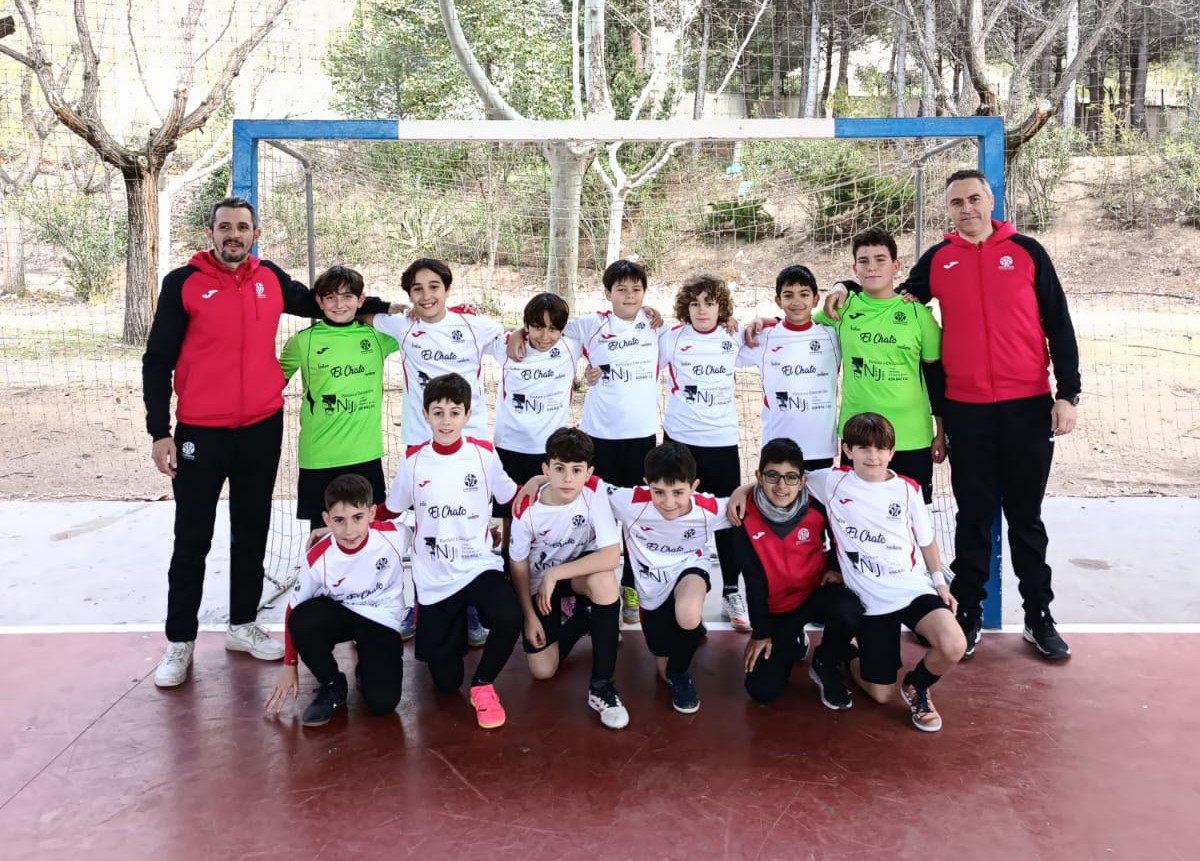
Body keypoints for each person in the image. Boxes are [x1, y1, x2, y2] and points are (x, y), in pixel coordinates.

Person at [823, 170, 1080, 660]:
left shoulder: (1027, 252)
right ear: (949, 210)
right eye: (957, 202)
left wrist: (1068, 393)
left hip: (1027, 405)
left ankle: (1039, 615)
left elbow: (1059, 321)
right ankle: (969, 612)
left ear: (991, 201)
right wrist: (841, 282)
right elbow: (885, 286)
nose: (967, 209)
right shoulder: (940, 259)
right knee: (973, 517)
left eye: (974, 199)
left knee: (1025, 517)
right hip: (967, 410)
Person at [142, 196, 393, 689]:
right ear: (211, 233)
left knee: (252, 528)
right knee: (192, 536)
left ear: (255, 234)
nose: (233, 234)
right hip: (200, 431)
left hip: (261, 426)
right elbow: (157, 358)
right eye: (225, 227)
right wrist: (159, 431)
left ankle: (242, 625)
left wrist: (387, 308)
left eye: (243, 227)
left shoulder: (270, 279)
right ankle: (180, 640)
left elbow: (325, 300)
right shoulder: (183, 283)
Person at [508, 259, 663, 627]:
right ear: (607, 293)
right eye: (621, 289)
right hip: (599, 438)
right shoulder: (590, 326)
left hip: (641, 438)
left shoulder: (656, 326)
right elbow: (549, 328)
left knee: (636, 516)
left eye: (636, 289)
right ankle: (586, 590)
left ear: (645, 293)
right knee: (594, 515)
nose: (629, 295)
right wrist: (516, 333)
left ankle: (630, 585)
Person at [368, 257, 505, 647]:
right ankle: (421, 603)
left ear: (447, 289)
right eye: (417, 289)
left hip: (471, 444)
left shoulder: (475, 325)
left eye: (434, 287)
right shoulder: (402, 325)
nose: (426, 296)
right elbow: (361, 311)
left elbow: (515, 343)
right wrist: (389, 306)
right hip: (422, 442)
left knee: (469, 524)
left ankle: (471, 607)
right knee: (428, 527)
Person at [375, 373, 523, 729]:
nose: (446, 421)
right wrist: (342, 527)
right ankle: (452, 631)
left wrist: (551, 490)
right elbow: (390, 510)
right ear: (425, 414)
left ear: (467, 415)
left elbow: (513, 496)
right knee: (445, 683)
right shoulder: (414, 461)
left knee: (509, 616)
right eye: (438, 412)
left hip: (477, 566)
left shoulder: (483, 455)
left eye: (454, 412)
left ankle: (483, 685)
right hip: (434, 578)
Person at [806, 413, 966, 732]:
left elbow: (926, 541)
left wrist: (939, 584)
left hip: (911, 588)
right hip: (870, 601)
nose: (873, 456)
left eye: (881, 449)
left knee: (953, 645)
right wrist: (744, 491)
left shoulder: (907, 489)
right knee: (880, 694)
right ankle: (846, 652)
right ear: (847, 450)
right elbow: (785, 479)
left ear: (892, 452)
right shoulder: (832, 482)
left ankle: (918, 686)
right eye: (864, 448)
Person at [264, 474, 409, 726]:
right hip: (341, 613)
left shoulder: (395, 536)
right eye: (339, 521)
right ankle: (332, 684)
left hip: (381, 619)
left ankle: (367, 667)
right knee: (302, 620)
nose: (349, 531)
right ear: (326, 519)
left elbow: (432, 530)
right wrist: (289, 664)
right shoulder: (318, 557)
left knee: (383, 704)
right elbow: (291, 610)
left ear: (372, 514)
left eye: (357, 518)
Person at [813, 228, 945, 503]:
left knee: (909, 519)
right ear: (855, 268)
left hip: (910, 438)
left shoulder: (918, 314)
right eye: (864, 261)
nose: (872, 267)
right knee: (857, 516)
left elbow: (935, 378)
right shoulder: (842, 308)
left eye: (880, 259)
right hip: (857, 438)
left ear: (896, 266)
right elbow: (799, 325)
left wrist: (941, 432)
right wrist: (765, 324)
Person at [729, 438, 863, 709]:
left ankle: (825, 661)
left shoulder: (818, 507)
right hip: (777, 609)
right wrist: (761, 632)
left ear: (802, 481)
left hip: (814, 594)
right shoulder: (743, 516)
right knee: (762, 690)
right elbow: (754, 581)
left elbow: (842, 538)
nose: (781, 486)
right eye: (772, 476)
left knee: (849, 608)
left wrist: (835, 568)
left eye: (790, 477)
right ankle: (792, 641)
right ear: (758, 477)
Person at [509, 427, 627, 729]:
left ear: (589, 473)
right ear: (546, 469)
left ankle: (601, 687)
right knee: (543, 671)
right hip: (541, 586)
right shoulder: (527, 507)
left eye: (576, 470)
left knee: (605, 583)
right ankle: (583, 620)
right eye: (559, 469)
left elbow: (611, 556)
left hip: (572, 574)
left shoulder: (594, 491)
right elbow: (518, 565)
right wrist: (528, 616)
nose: (567, 478)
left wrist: (556, 573)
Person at [606, 441, 735, 714]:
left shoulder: (708, 509)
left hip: (689, 569)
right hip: (651, 587)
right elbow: (587, 485)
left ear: (694, 486)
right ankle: (688, 635)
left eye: (678, 492)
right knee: (661, 668)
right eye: (659, 492)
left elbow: (749, 502)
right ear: (646, 484)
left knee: (687, 616)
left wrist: (744, 490)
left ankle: (681, 672)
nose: (668, 502)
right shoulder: (630, 502)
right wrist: (538, 480)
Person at [658, 274, 750, 631]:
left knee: (728, 517)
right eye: (695, 303)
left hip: (721, 441)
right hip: (680, 441)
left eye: (709, 303)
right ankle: (673, 583)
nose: (701, 310)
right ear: (686, 307)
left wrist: (755, 322)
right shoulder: (671, 338)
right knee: (677, 513)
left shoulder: (734, 337)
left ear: (721, 307)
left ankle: (731, 590)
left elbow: (769, 333)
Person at [279, 265, 398, 541]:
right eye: (330, 297)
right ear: (319, 302)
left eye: (347, 297)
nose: (339, 304)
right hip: (320, 457)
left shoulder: (378, 337)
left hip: (365, 454)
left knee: (371, 537)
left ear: (361, 300)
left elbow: (424, 327)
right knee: (323, 538)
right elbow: (270, 384)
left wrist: (459, 314)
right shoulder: (303, 342)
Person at [488, 293, 582, 551]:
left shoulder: (571, 346)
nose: (544, 336)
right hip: (511, 444)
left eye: (553, 329)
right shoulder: (507, 346)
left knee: (548, 511)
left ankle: (547, 561)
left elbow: (604, 328)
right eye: (537, 327)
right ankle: (509, 559)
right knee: (512, 513)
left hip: (550, 448)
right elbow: (478, 332)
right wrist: (516, 334)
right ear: (527, 325)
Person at [737, 265, 841, 471]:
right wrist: (731, 321)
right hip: (777, 447)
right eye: (788, 295)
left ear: (816, 299)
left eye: (804, 294)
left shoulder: (832, 335)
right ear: (778, 300)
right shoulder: (764, 336)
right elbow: (724, 347)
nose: (796, 301)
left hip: (820, 448)